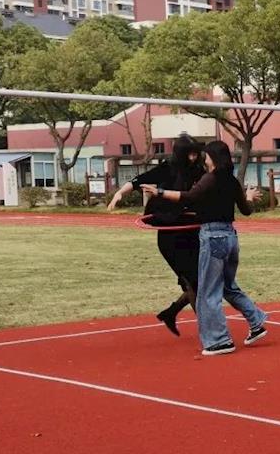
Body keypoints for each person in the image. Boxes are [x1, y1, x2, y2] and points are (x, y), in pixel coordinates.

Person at [142, 140, 267, 356]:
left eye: (206, 156)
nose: (204, 159)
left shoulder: (210, 178)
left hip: (213, 237)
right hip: (230, 237)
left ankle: (219, 341)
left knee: (208, 293)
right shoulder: (232, 181)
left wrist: (159, 192)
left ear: (213, 158)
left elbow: (189, 197)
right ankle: (256, 322)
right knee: (228, 287)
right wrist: (248, 197)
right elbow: (246, 210)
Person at [108, 134, 204, 336]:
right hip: (171, 236)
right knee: (193, 281)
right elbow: (138, 181)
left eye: (196, 154)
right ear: (181, 154)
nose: (193, 158)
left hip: (191, 230)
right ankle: (207, 330)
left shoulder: (198, 171)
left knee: (199, 280)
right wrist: (119, 193)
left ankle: (171, 312)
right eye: (190, 154)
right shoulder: (167, 169)